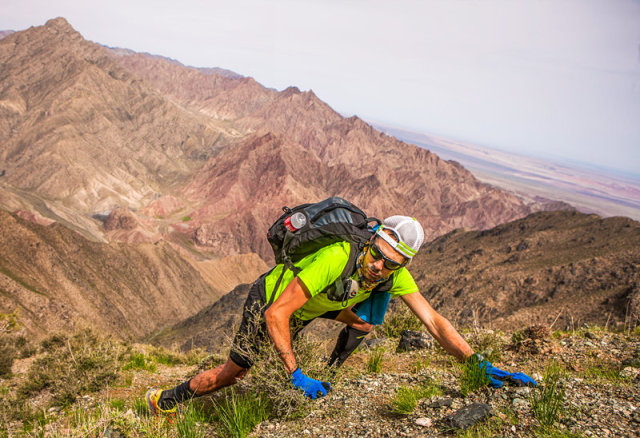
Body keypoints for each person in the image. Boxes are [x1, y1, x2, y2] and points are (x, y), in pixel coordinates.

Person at [146, 215, 535, 415]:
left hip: (317, 306)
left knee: (367, 320)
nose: (380, 268)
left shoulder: (392, 274)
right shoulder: (338, 257)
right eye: (378, 256)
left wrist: (477, 364)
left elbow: (434, 322)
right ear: (373, 240)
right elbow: (278, 314)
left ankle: (329, 371)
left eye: (392, 265)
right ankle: (163, 400)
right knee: (235, 374)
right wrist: (294, 373)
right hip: (272, 301)